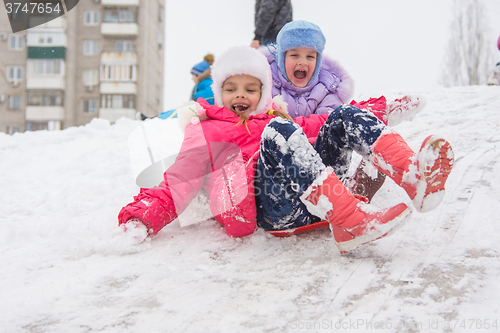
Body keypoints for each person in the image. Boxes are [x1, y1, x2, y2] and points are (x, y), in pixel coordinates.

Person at [118, 46, 454, 254]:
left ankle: (414, 179)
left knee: (340, 116)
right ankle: (351, 221)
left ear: (262, 93)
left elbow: (324, 123)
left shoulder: (272, 118)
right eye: (231, 88)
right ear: (218, 92)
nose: (241, 96)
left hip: (312, 201)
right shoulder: (205, 131)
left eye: (250, 89)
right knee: (279, 131)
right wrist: (139, 219)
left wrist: (381, 107)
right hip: (268, 210)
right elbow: (177, 182)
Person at [261, 20, 426, 202]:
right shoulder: (262, 85)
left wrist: (369, 112)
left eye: (310, 56)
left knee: (345, 119)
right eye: (294, 55)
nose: (303, 61)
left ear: (319, 60)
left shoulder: (328, 87)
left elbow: (334, 126)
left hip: (319, 162)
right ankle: (347, 189)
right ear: (280, 57)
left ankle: (410, 172)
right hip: (279, 168)